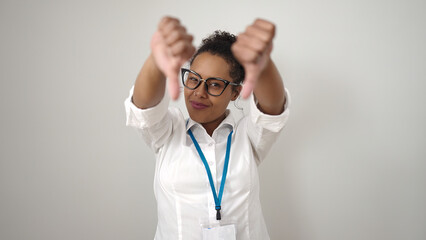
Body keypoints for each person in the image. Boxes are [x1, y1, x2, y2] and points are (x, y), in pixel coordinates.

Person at [125, 16, 290, 240]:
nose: (199, 92)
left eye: (214, 84)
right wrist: (156, 60)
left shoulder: (247, 137)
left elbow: (273, 109)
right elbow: (143, 109)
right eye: (193, 79)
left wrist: (263, 65)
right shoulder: (168, 133)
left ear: (235, 92)